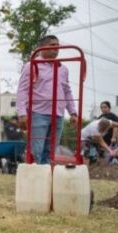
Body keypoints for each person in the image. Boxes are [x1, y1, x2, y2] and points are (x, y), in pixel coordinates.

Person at [16, 35, 79, 164]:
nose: (56, 49)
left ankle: (45, 178)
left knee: (50, 151)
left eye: (58, 46)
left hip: (58, 114)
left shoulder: (63, 69)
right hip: (38, 113)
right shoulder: (31, 66)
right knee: (37, 150)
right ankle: (36, 178)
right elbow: (22, 90)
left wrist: (73, 112)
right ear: (41, 48)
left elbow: (67, 91)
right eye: (52, 46)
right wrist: (22, 113)